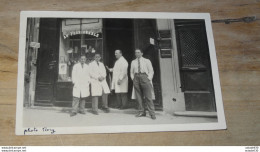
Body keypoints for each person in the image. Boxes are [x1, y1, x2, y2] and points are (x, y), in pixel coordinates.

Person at [130, 48, 156, 120]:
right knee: (138, 97)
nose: (137, 54)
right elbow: (131, 72)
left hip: (145, 77)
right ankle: (142, 112)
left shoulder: (147, 61)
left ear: (142, 53)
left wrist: (148, 79)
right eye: (136, 53)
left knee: (148, 97)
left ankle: (152, 113)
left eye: (138, 52)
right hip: (136, 78)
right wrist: (133, 79)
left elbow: (151, 71)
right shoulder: (133, 62)